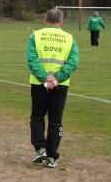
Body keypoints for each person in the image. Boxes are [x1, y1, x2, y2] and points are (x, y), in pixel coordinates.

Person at [27, 9, 79, 168]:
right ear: (61, 22)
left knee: (37, 116)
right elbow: (73, 62)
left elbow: (32, 60)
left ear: (45, 20)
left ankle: (40, 149)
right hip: (60, 85)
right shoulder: (70, 39)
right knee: (56, 121)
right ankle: (51, 156)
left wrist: (45, 78)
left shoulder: (35, 36)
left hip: (39, 83)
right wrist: (57, 78)